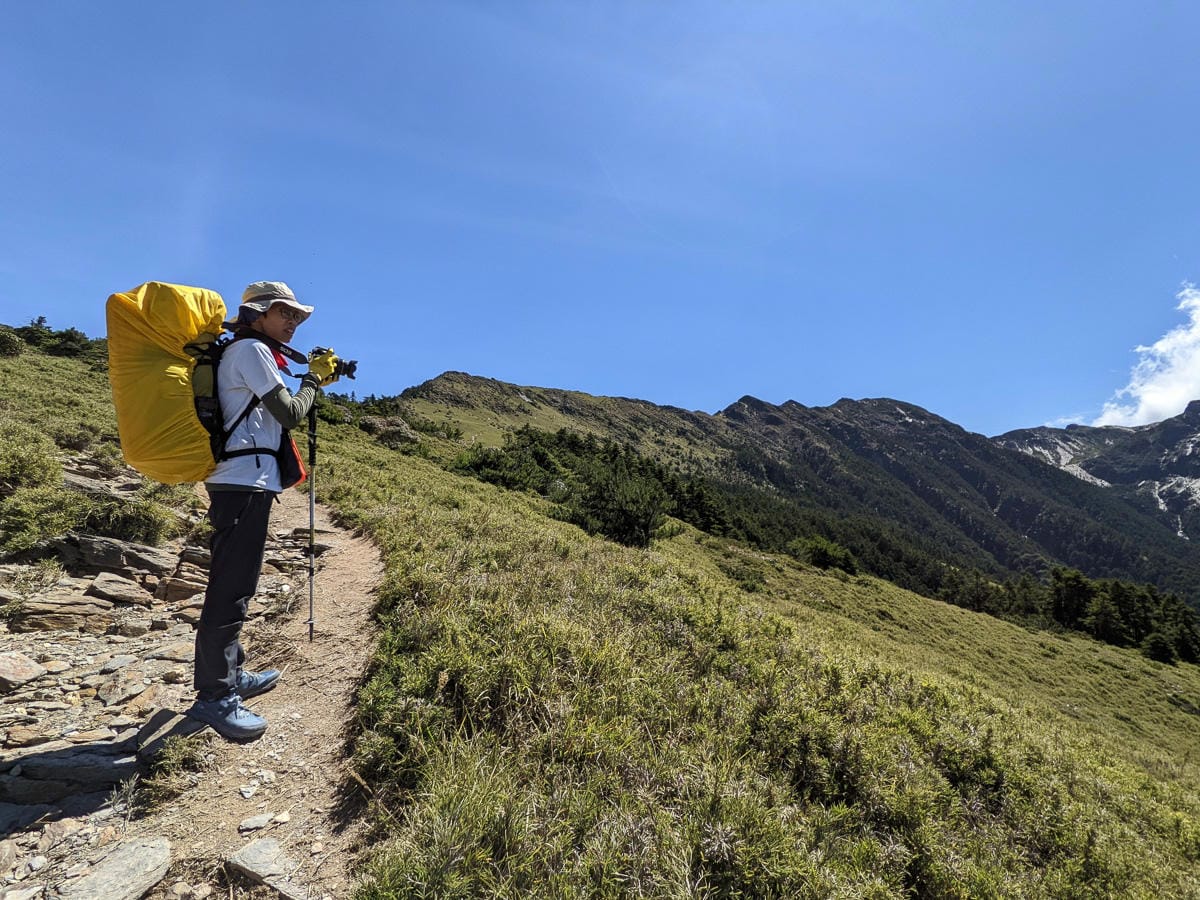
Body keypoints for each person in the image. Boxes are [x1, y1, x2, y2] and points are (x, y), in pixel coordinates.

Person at [186, 281, 340, 741]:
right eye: (285, 314)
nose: (293, 323)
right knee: (230, 590)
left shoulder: (251, 351)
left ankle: (231, 676)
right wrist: (313, 381)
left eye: (297, 317)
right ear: (257, 314)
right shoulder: (251, 351)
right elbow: (291, 413)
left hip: (246, 483)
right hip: (240, 484)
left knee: (241, 583)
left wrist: (308, 380)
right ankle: (213, 697)